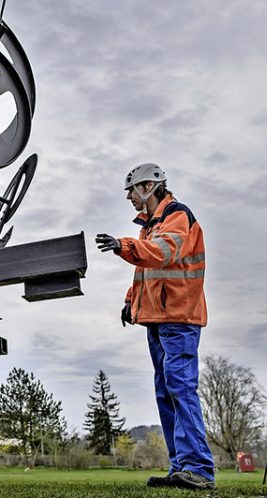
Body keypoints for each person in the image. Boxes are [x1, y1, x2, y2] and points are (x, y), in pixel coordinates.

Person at [95, 163, 215, 491]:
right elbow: (145, 272)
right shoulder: (149, 226)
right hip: (159, 320)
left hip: (179, 319)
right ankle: (181, 467)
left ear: (149, 186)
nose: (129, 198)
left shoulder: (177, 215)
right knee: (166, 392)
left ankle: (200, 469)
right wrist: (129, 301)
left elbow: (163, 254)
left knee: (180, 389)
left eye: (131, 190)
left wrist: (123, 246)